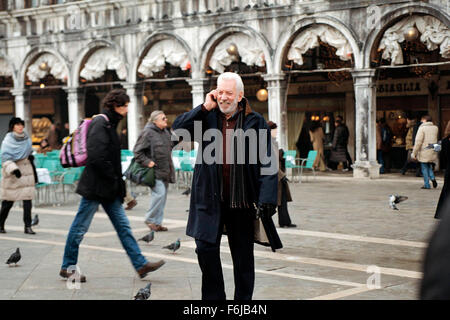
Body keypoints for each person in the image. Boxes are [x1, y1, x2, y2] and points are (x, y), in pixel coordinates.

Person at [172, 72, 279, 300]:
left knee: (242, 260)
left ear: (240, 96)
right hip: (208, 199)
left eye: (228, 93)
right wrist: (203, 106)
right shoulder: (207, 117)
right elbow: (177, 129)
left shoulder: (255, 121)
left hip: (241, 201)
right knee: (205, 250)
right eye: (219, 92)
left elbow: (268, 161)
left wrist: (268, 197)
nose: (223, 97)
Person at [60, 89, 165, 282]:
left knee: (123, 227)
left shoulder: (110, 123)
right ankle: (67, 266)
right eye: (125, 106)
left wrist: (119, 186)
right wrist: (114, 180)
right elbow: (97, 156)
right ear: (116, 106)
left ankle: (140, 264)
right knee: (79, 228)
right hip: (95, 187)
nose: (127, 110)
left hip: (108, 188)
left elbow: (110, 159)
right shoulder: (101, 122)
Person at [134, 111, 175, 232]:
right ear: (155, 121)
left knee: (162, 197)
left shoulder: (166, 132)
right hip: (154, 171)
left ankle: (157, 223)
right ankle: (150, 219)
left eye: (166, 118)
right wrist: (148, 162)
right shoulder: (147, 133)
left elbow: (170, 145)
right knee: (159, 194)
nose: (166, 120)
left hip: (166, 170)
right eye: (163, 118)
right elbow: (137, 152)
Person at [0, 117, 37, 234]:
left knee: (27, 201)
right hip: (14, 174)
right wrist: (14, 169)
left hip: (26, 172)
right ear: (12, 127)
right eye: (17, 125)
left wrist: (30, 156)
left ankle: (28, 226)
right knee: (7, 203)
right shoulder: (8, 140)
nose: (20, 127)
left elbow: (29, 151)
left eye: (21, 125)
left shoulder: (26, 138)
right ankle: (0, 224)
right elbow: (4, 158)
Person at [268, 121, 296, 228]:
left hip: (279, 177)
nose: (276, 132)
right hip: (273, 178)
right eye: (274, 130)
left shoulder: (273, 142)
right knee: (272, 203)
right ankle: (265, 224)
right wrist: (282, 175)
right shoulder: (267, 143)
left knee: (283, 200)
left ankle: (285, 221)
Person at [412, 115, 439, 189]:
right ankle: (432, 178)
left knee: (424, 167)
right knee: (429, 166)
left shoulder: (422, 128)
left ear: (424, 120)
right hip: (432, 150)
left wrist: (414, 153)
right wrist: (437, 151)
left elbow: (418, 142)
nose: (421, 121)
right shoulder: (435, 128)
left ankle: (427, 185)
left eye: (422, 120)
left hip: (424, 150)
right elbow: (436, 140)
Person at [434, 120, 450, 219]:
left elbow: (441, 157)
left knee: (446, 190)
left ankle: (441, 213)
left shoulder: (444, 141)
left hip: (449, 169)